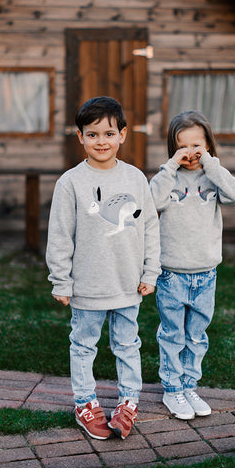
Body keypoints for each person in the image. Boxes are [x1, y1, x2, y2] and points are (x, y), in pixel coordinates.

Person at [46, 96, 160, 440]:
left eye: (108, 133)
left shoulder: (136, 178)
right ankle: (85, 403)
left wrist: (150, 272)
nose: (101, 141)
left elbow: (150, 227)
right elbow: (61, 235)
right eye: (92, 134)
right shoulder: (70, 183)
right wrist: (61, 281)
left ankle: (129, 402)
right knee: (83, 346)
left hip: (128, 284)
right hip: (88, 286)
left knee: (127, 345)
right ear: (80, 137)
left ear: (122, 135)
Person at [150, 110, 235, 420]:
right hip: (171, 273)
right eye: (182, 147)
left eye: (197, 146)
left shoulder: (213, 175)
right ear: (173, 149)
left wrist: (212, 164)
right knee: (173, 334)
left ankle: (189, 385)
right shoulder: (168, 177)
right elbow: (151, 203)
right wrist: (170, 167)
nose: (190, 153)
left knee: (197, 335)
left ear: (208, 146)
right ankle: (172, 390)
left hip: (206, 273)